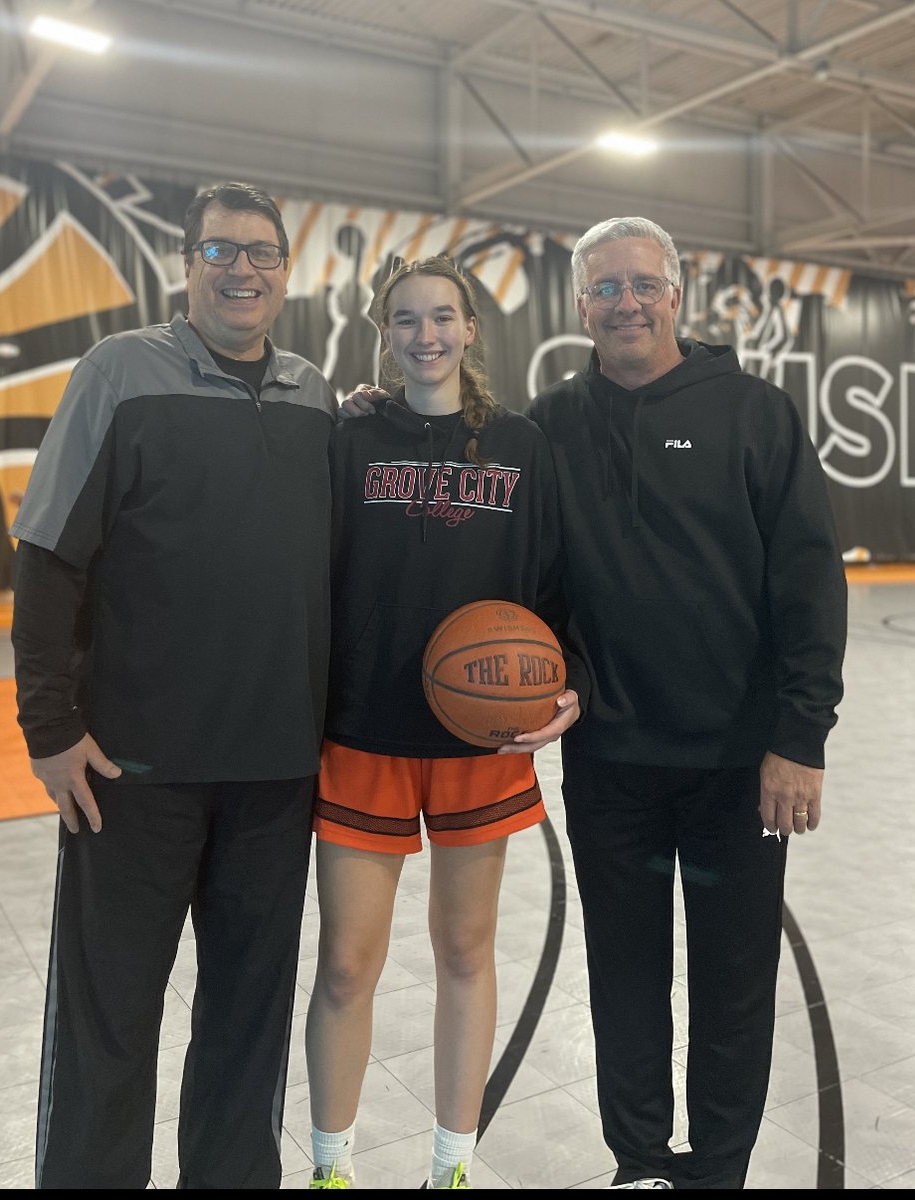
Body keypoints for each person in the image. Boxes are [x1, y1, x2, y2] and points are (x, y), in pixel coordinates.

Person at [343, 216, 847, 1190]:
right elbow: (530, 569)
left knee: (733, 985)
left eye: (641, 284)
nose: (625, 302)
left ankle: (721, 1169)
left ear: (675, 295)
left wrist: (801, 735)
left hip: (739, 764)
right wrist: (379, 406)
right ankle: (642, 1164)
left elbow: (809, 580)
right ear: (581, 307)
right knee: (625, 980)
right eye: (605, 288)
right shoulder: (551, 424)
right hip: (610, 758)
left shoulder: (755, 412)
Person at [9, 181, 337, 1189]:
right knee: (110, 1018)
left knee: (248, 1023)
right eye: (220, 251)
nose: (242, 269)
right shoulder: (119, 372)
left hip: (276, 775)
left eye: (262, 253)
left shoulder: (315, 395)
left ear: (288, 272)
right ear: (186, 264)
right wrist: (49, 727)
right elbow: (47, 553)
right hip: (132, 774)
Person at [305, 257, 590, 1190]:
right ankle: (331, 1168)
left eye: (441, 318)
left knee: (465, 953)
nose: (424, 335)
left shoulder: (520, 444)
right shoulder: (348, 436)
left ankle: (452, 1165)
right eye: (404, 320)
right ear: (382, 334)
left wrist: (569, 680)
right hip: (362, 734)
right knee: (347, 966)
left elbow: (554, 583)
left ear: (471, 329)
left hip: (481, 739)